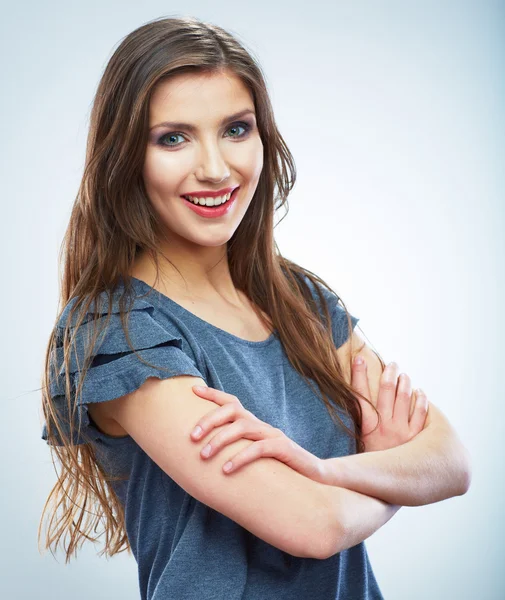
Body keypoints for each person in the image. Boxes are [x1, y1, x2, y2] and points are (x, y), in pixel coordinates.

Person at [39, 16, 471, 600]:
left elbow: (450, 462)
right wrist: (388, 471)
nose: (216, 168)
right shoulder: (120, 333)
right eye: (173, 137)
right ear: (126, 158)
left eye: (236, 129)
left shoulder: (301, 301)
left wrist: (327, 471)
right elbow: (313, 526)